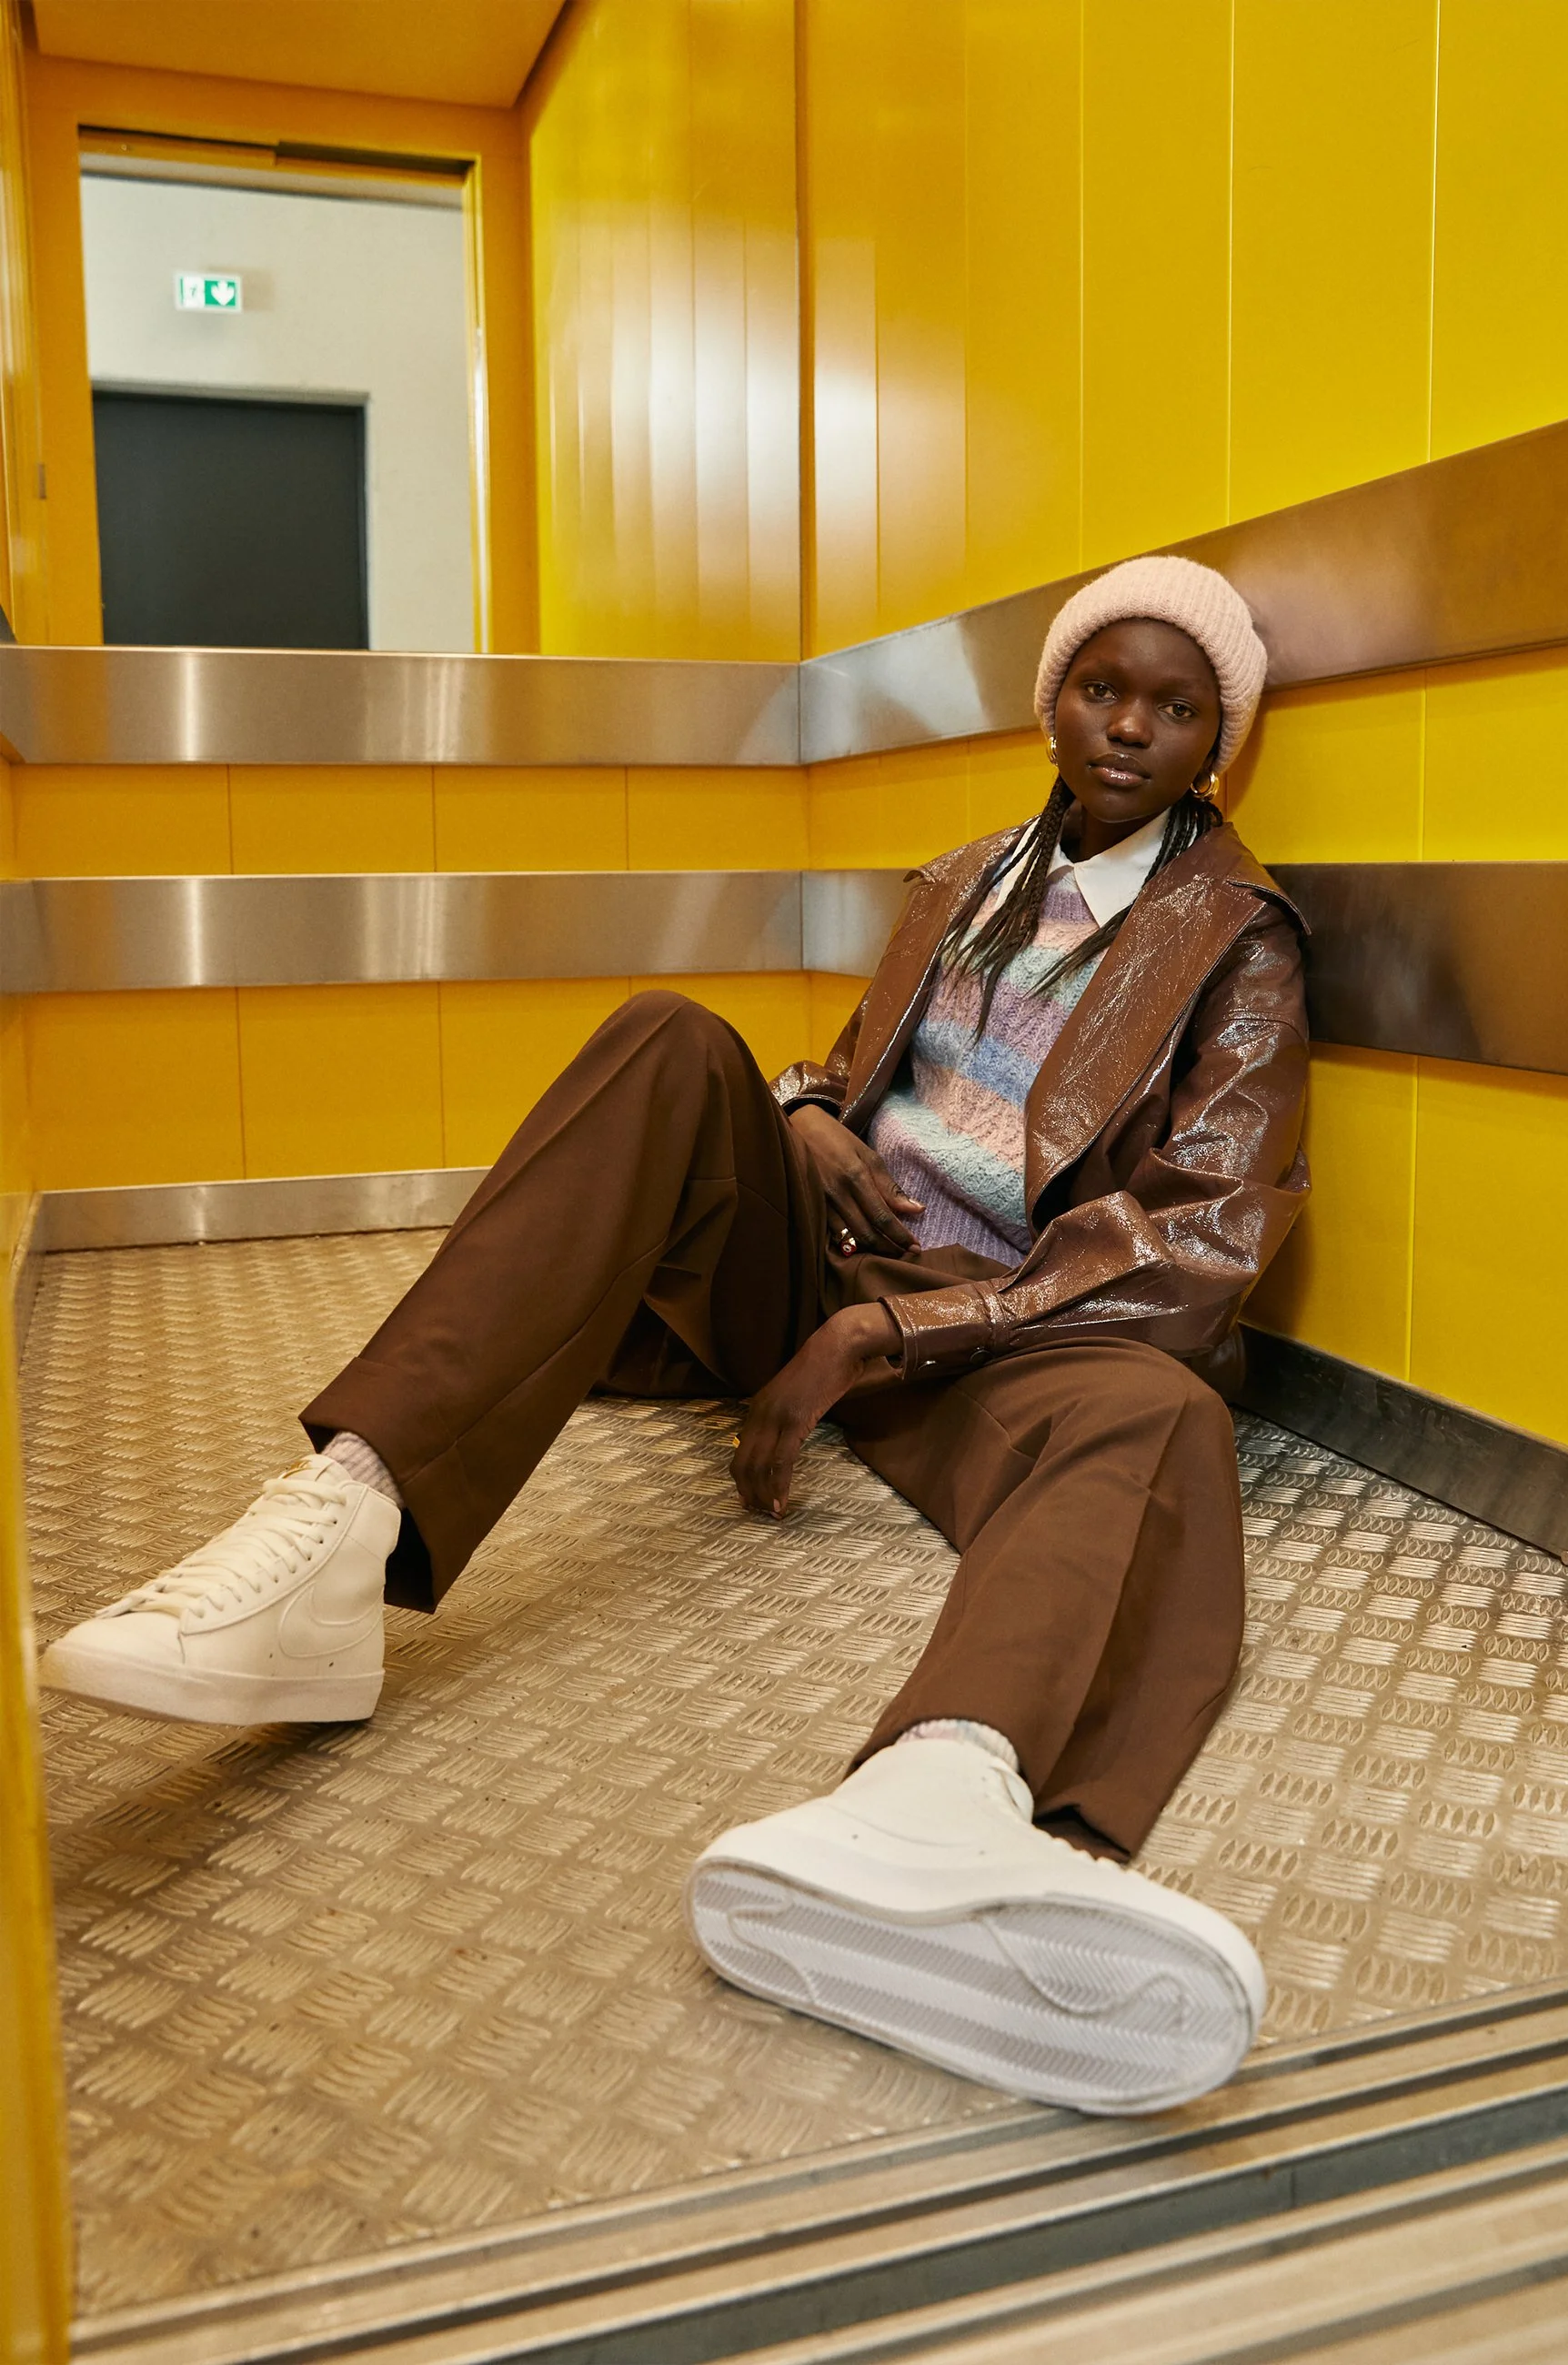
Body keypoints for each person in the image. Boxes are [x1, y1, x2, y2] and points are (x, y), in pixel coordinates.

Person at [41, 555, 1309, 2117]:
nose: (1128, 727)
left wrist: (884, 1334)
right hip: (834, 1259)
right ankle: (345, 1519)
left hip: (993, 1329)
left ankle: (943, 1803)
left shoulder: (1237, 939)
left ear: (1219, 744)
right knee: (666, 1036)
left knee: (1164, 1418)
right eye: (1101, 689)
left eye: (1174, 708)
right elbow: (863, 1071)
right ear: (1050, 705)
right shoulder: (968, 878)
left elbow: (1197, 1240)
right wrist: (806, 1108)